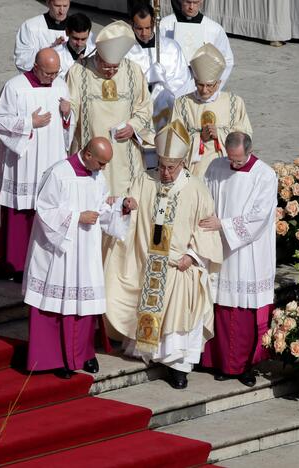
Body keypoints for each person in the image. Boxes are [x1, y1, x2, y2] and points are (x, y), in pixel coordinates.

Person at [105, 120, 223, 389]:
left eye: (171, 167)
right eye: (162, 166)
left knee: (179, 319)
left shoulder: (196, 189)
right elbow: (129, 206)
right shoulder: (146, 180)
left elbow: (206, 229)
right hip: (149, 265)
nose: (166, 173)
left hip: (179, 265)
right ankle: (150, 354)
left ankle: (178, 367)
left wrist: (192, 257)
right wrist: (126, 205)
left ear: (182, 163)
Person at [23, 137, 137, 379]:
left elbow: (101, 212)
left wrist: (121, 208)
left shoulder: (96, 176)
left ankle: (82, 354)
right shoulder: (57, 173)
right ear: (87, 155)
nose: (104, 168)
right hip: (59, 252)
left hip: (85, 250)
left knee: (83, 304)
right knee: (57, 305)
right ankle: (54, 358)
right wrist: (76, 218)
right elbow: (44, 211)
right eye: (102, 162)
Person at [200, 132, 277, 387]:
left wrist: (223, 224)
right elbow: (204, 198)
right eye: (230, 158)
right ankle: (220, 363)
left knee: (244, 311)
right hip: (220, 248)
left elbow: (258, 217)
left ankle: (245, 367)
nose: (233, 164)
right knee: (221, 307)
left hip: (248, 252)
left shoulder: (264, 175)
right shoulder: (216, 166)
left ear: (249, 151)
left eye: (238, 159)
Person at [0, 48, 72, 281]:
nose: (52, 77)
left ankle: (46, 264)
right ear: (35, 67)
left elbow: (67, 127)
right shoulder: (15, 86)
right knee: (22, 212)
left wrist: (67, 115)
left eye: (56, 72)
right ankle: (17, 266)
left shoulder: (59, 85)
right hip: (25, 162)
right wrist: (29, 122)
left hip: (52, 159)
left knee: (49, 209)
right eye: (48, 73)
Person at [67, 20, 153, 196]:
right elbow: (71, 109)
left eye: (115, 67)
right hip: (90, 147)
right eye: (106, 66)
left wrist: (133, 127)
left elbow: (144, 106)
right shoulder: (78, 72)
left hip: (124, 153)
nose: (110, 72)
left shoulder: (133, 71)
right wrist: (66, 111)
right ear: (97, 55)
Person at [171, 43, 252, 179]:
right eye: (200, 84)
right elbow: (174, 139)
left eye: (209, 85)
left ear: (218, 83)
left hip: (227, 167)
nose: (204, 90)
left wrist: (220, 134)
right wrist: (200, 138)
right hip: (195, 169)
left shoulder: (235, 102)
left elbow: (246, 136)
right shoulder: (182, 104)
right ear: (195, 80)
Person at [126, 2, 192, 130]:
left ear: (154, 24)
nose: (144, 33)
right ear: (131, 25)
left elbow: (183, 78)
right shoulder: (126, 51)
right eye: (139, 28)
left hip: (168, 108)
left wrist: (161, 90)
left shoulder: (171, 47)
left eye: (148, 27)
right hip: (138, 110)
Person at [160, 0, 234, 89]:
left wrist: (213, 86)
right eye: (188, 2)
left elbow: (227, 60)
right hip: (171, 85)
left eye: (195, 3)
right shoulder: (165, 25)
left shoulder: (214, 29)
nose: (191, 7)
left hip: (201, 88)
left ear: (201, 1)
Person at [14, 0, 70, 72]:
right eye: (57, 6)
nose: (62, 11)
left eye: (65, 6)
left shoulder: (78, 27)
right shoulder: (31, 26)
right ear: (48, 3)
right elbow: (22, 61)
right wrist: (51, 49)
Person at [55, 13, 95, 80]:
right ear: (67, 32)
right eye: (75, 39)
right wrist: (76, 68)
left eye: (83, 39)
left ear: (89, 34)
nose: (79, 44)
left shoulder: (96, 54)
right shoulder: (56, 54)